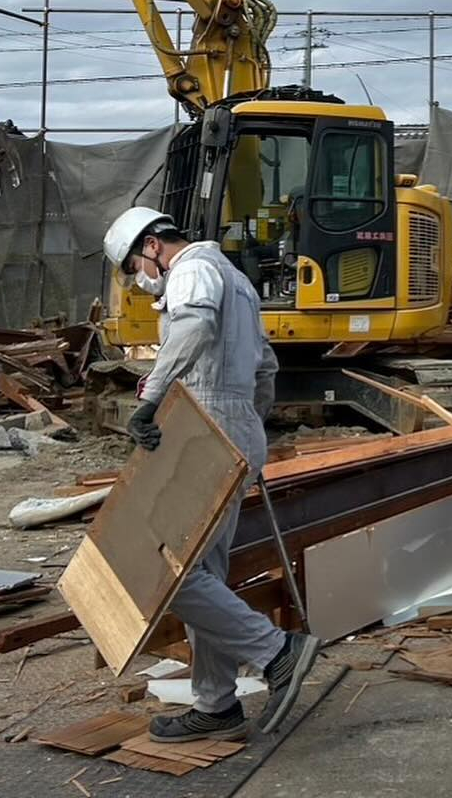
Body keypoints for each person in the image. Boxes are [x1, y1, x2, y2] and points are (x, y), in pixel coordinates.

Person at [103, 206, 321, 743]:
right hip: (233, 421)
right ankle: (216, 704)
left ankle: (277, 651)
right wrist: (248, 425)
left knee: (166, 572)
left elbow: (195, 325)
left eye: (136, 265)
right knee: (204, 573)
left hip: (204, 424)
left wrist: (151, 398)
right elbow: (266, 366)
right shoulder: (239, 281)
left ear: (153, 245)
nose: (140, 277)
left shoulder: (193, 270)